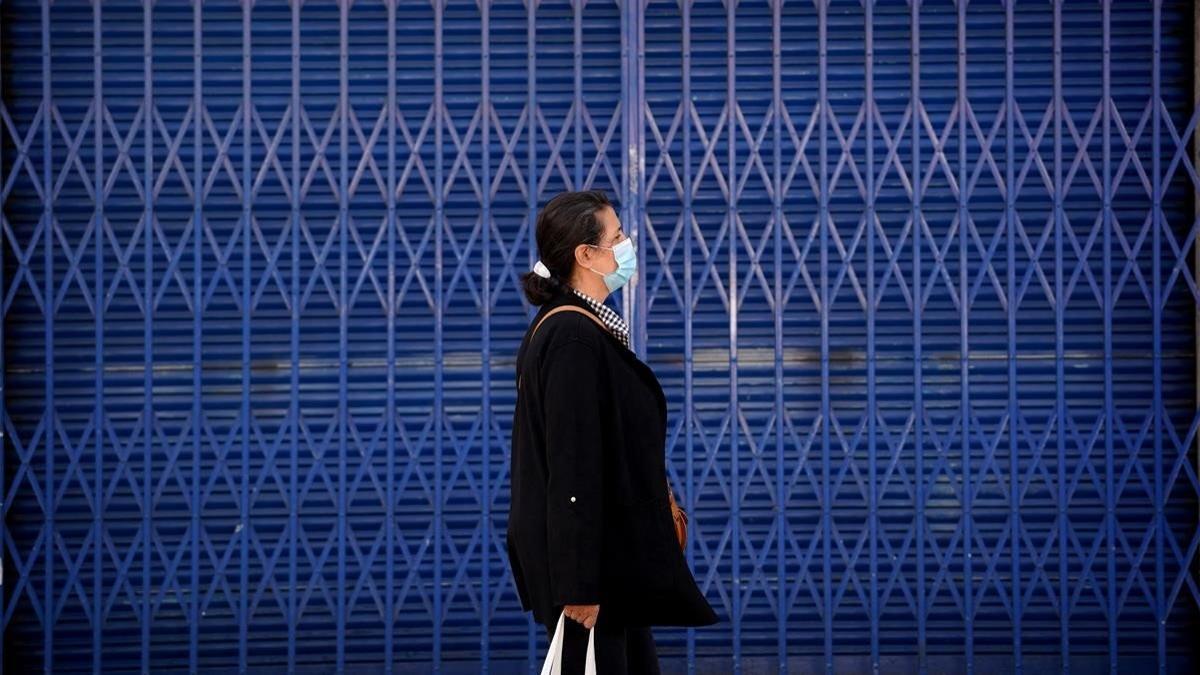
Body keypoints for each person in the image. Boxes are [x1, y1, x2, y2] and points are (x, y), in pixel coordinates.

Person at [505, 189, 719, 674]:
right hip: (592, 581)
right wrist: (579, 584)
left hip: (610, 571)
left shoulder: (581, 329)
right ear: (586, 255)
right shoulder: (572, 338)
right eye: (618, 236)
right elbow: (573, 462)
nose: (628, 246)